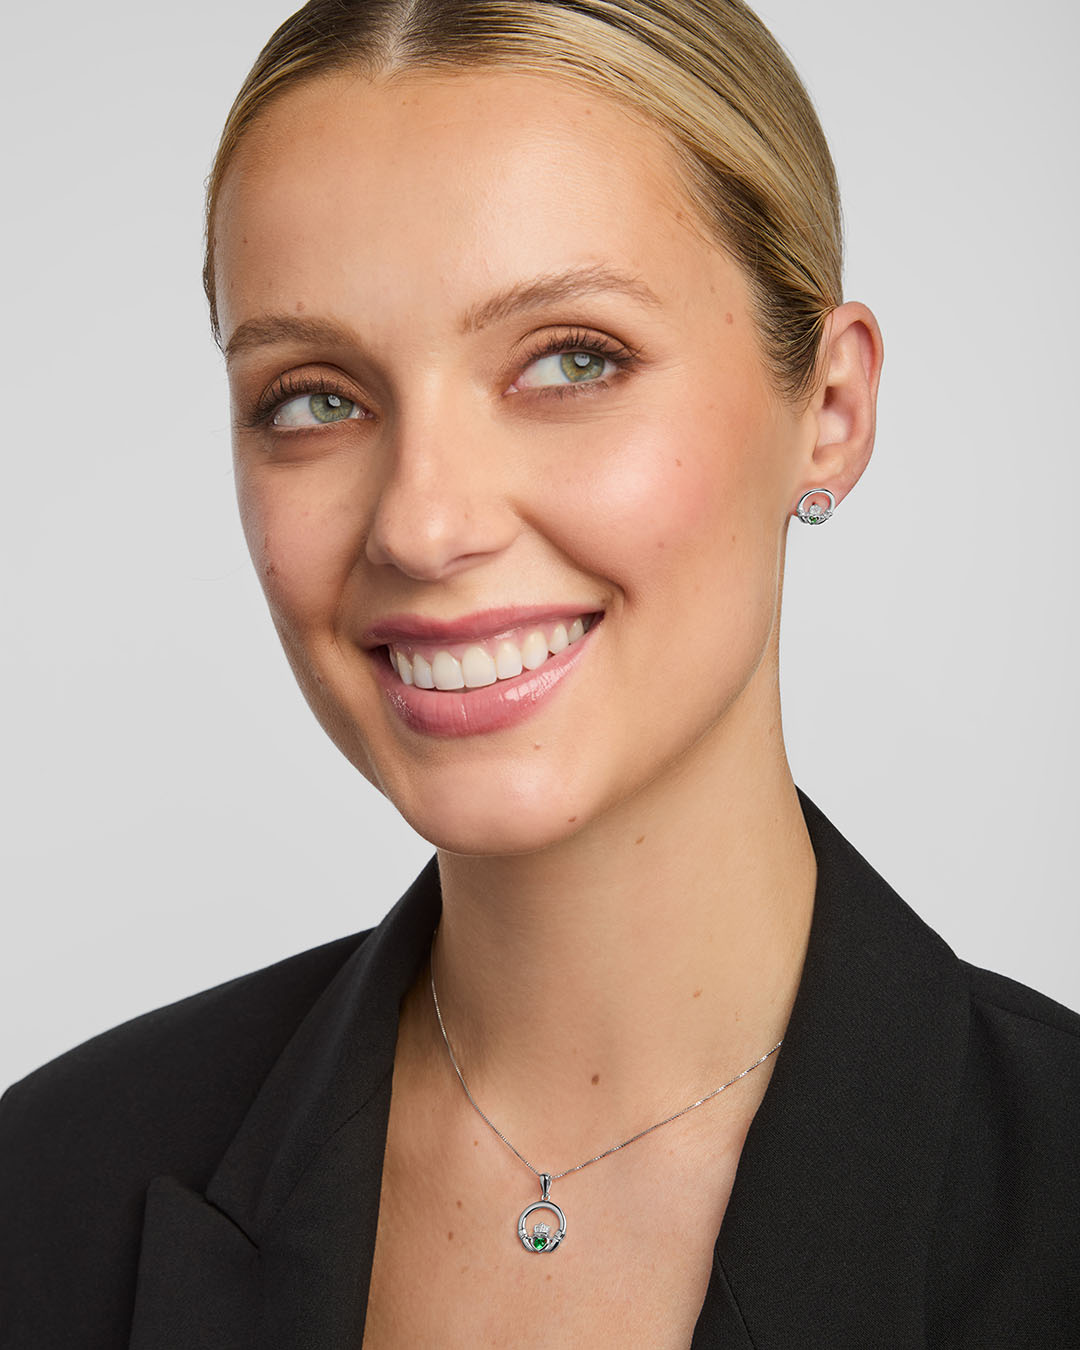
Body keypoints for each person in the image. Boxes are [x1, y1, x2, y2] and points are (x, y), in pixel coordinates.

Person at [2, 1, 1078, 1346]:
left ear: (832, 412)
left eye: (572, 360)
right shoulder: (46, 1190)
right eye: (314, 397)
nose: (422, 522)